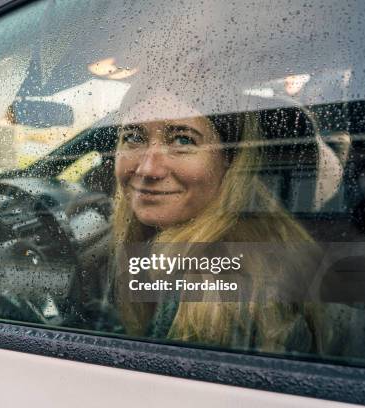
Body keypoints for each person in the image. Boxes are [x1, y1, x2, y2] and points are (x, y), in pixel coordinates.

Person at [110, 86, 328, 354]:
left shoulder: (218, 284)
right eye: (133, 137)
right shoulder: (260, 233)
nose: (147, 169)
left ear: (231, 160)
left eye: (182, 140)